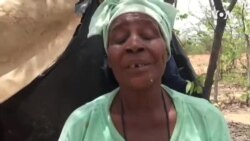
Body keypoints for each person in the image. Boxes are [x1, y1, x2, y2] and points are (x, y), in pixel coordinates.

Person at [59, 0, 231, 140]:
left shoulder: (206, 120)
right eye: (120, 38)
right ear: (109, 58)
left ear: (166, 52)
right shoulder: (81, 125)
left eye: (148, 35)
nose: (134, 45)